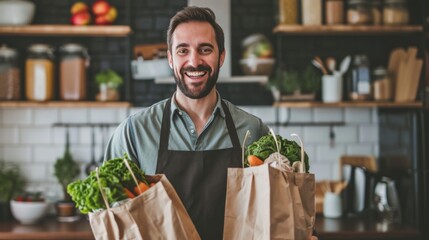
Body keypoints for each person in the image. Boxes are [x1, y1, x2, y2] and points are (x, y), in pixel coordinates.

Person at [105, 6, 317, 240]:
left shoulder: (253, 131)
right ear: (170, 58)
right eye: (183, 50)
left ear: (221, 56)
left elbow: (275, 214)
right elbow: (114, 222)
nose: (194, 61)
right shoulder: (134, 133)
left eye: (205, 49)